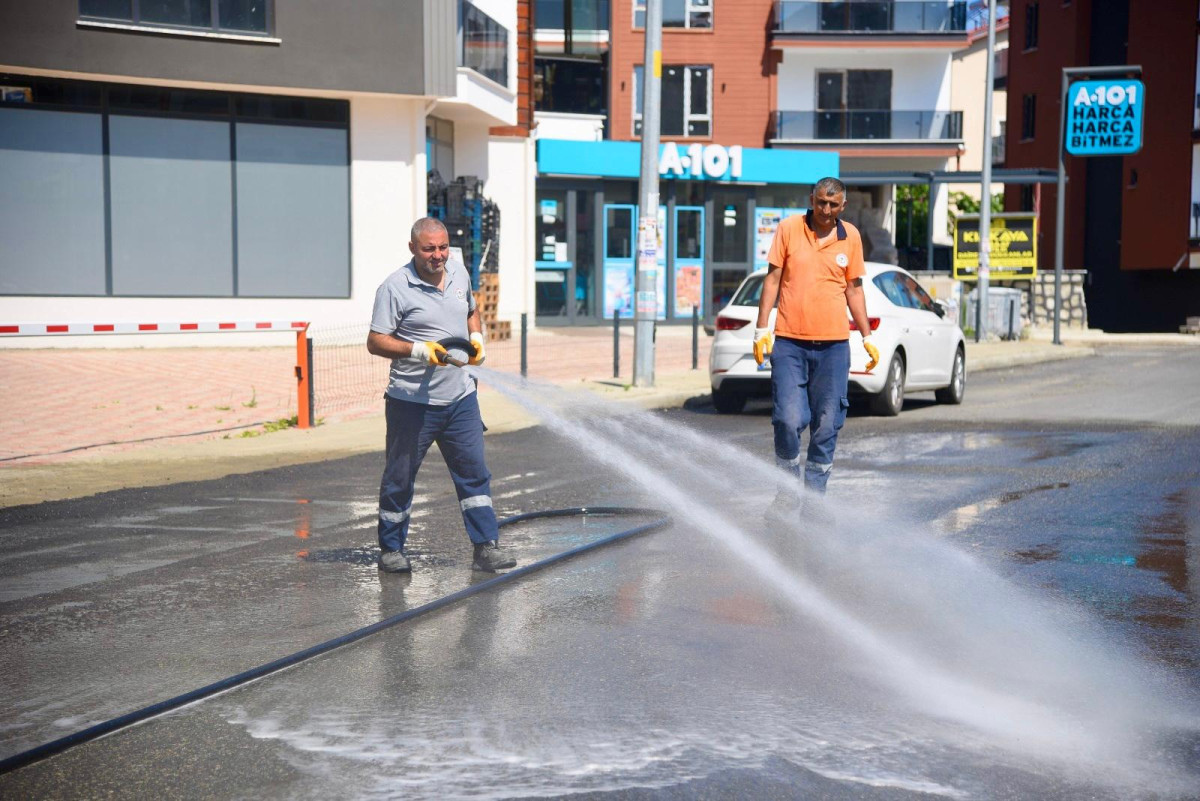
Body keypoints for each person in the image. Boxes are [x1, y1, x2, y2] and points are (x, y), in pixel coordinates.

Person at [367, 217, 516, 573]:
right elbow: (375, 341)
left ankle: (485, 547)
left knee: (474, 473)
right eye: (429, 248)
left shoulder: (459, 272)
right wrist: (419, 351)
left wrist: (477, 339)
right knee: (400, 477)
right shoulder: (395, 287)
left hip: (460, 398)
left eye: (443, 247)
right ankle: (391, 549)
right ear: (413, 248)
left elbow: (471, 310)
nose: (438, 256)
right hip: (411, 403)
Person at [753, 177, 879, 497]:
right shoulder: (789, 229)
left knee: (827, 424)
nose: (825, 209)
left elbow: (854, 289)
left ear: (843, 206)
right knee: (787, 418)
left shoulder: (850, 236)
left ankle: (814, 500)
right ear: (812, 199)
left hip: (834, 348)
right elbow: (772, 280)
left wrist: (867, 337)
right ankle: (787, 488)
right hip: (789, 344)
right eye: (821, 201)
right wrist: (760, 329)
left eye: (833, 204)